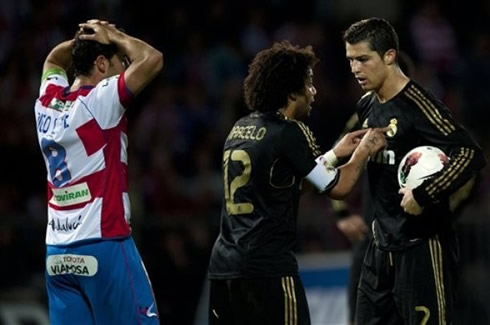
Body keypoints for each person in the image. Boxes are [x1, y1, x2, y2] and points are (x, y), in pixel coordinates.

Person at [207, 40, 389, 325]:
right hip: (269, 270)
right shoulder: (291, 131)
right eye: (308, 83)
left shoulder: (240, 127)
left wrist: (334, 153)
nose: (313, 92)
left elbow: (290, 185)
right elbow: (338, 186)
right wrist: (365, 149)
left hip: (224, 270)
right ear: (292, 92)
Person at [343, 17, 486, 324]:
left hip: (421, 247)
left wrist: (424, 193)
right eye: (351, 60)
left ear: (390, 56)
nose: (355, 69)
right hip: (379, 248)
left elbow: (470, 153)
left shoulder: (419, 104)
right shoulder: (366, 106)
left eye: (363, 59)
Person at [34, 19, 163, 324]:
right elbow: (153, 59)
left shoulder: (46, 102)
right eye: (122, 62)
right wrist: (114, 35)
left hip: (58, 254)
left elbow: (53, 59)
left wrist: (82, 40)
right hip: (104, 244)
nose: (126, 70)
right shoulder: (102, 101)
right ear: (102, 64)